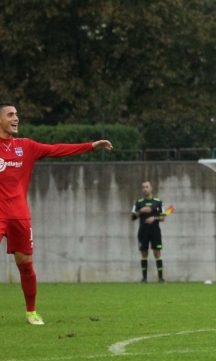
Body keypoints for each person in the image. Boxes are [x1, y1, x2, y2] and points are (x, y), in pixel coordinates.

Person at [0, 103, 113, 325]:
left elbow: (57, 149)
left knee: (25, 264)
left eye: (17, 115)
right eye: (10, 115)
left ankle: (31, 312)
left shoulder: (26, 146)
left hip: (20, 214)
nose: (16, 118)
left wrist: (91, 146)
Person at [131, 181, 168, 283]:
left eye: (147, 187)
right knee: (144, 253)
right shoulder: (138, 202)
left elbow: (163, 217)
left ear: (151, 188)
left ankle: (160, 278)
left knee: (157, 252)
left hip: (155, 231)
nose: (145, 189)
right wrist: (141, 211)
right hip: (143, 232)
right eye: (143, 187)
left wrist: (154, 218)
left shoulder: (158, 202)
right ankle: (144, 279)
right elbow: (132, 217)